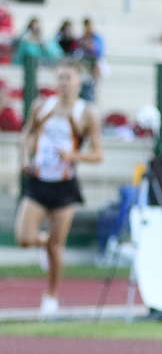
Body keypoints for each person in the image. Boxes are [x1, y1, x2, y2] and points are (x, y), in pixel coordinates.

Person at [16, 62, 103, 315]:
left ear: (78, 82)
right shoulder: (42, 106)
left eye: (68, 78)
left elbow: (98, 154)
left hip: (64, 186)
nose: (63, 82)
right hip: (39, 181)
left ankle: (51, 296)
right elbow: (27, 134)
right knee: (24, 238)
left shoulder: (86, 113)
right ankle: (44, 242)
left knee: (56, 248)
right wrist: (25, 159)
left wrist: (73, 156)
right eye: (60, 78)